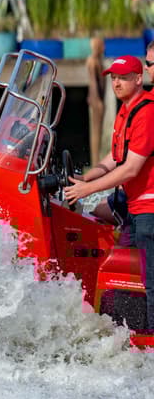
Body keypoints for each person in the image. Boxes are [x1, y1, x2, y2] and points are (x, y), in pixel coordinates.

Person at [65, 55, 154, 330]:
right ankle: (126, 333)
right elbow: (115, 158)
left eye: (123, 77)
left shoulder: (147, 112)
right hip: (134, 208)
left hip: (149, 210)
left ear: (139, 79)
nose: (116, 82)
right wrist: (84, 177)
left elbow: (131, 169)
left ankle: (148, 339)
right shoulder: (126, 110)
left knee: (150, 281)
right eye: (113, 77)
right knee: (119, 274)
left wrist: (86, 190)